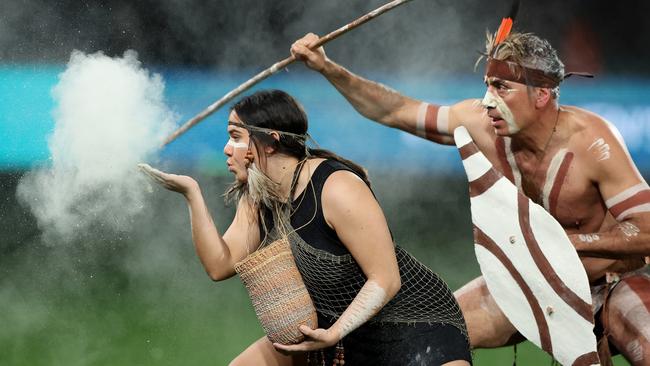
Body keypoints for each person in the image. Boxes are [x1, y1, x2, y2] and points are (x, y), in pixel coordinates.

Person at [290, 29, 650, 364]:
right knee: (421, 336)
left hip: (608, 287)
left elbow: (646, 231)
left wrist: (565, 242)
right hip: (525, 285)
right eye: (488, 86)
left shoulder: (592, 141)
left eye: (502, 87)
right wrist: (327, 67)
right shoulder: (479, 123)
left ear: (541, 94)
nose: (488, 101)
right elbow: (394, 110)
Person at [140, 89, 471, 365]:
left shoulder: (336, 187)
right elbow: (219, 264)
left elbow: (385, 279)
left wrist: (336, 332)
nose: (227, 149)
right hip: (336, 334)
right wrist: (192, 194)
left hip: (412, 326)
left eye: (236, 137)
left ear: (269, 143)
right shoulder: (258, 196)